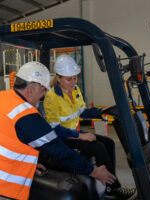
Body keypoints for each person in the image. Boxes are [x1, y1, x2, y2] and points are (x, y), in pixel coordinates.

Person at [0, 61, 117, 200]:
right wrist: (94, 171)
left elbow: (4, 139)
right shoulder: (26, 115)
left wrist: (27, 164)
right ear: (31, 89)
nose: (43, 96)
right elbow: (60, 152)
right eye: (43, 90)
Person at [43, 54, 136, 199]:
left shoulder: (75, 90)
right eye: (69, 79)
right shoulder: (51, 98)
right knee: (98, 147)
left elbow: (83, 111)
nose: (74, 82)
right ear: (59, 78)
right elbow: (55, 129)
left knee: (109, 143)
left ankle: (110, 183)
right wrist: (81, 136)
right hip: (62, 138)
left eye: (75, 77)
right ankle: (113, 188)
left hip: (74, 133)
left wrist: (102, 112)